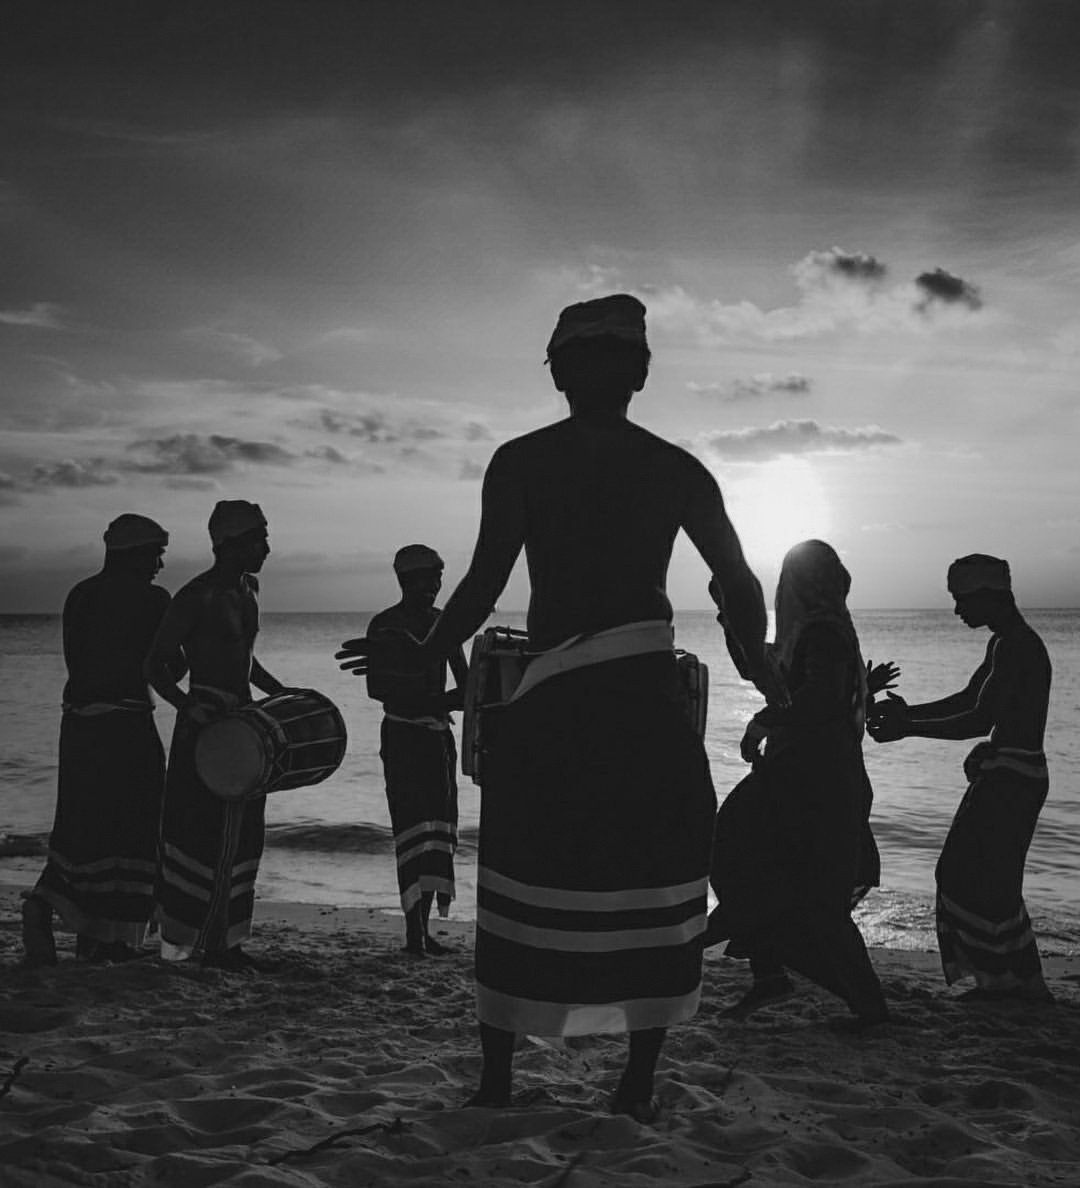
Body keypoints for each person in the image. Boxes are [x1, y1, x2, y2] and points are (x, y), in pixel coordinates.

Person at [338, 294, 774, 1119]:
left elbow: (483, 584)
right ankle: (634, 1084)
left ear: (560, 374)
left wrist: (426, 651)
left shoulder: (523, 461)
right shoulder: (677, 469)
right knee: (653, 878)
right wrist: (760, 666)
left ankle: (499, 1083)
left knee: (524, 877)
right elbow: (739, 580)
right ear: (639, 373)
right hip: (643, 700)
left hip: (558, 702)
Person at [707, 540, 892, 1027]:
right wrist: (729, 615)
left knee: (804, 895)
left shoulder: (824, 633)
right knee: (758, 869)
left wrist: (763, 722)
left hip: (816, 783)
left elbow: (821, 698)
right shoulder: (814, 633)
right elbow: (759, 668)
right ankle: (770, 974)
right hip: (798, 776)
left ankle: (866, 1007)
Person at [867, 554, 1053, 1002]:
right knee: (984, 878)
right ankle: (1013, 983)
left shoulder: (1017, 646)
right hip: (1010, 772)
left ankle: (1011, 984)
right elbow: (971, 699)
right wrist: (910, 715)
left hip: (1014, 776)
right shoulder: (1004, 642)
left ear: (989, 596)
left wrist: (908, 727)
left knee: (968, 875)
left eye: (961, 600)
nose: (956, 611)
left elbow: (977, 719)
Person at [21, 514, 177, 966]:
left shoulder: (81, 595)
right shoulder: (153, 600)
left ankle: (47, 904)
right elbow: (167, 665)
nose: (159, 565)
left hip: (80, 725)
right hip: (127, 723)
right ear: (132, 554)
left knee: (82, 825)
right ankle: (109, 938)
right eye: (155, 554)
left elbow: (78, 662)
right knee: (135, 825)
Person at [145, 499, 289, 970]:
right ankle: (194, 940)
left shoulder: (250, 589)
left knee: (244, 834)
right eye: (259, 538)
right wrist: (186, 704)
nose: (267, 548)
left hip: (244, 724)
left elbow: (245, 657)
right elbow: (155, 663)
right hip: (205, 728)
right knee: (199, 832)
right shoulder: (196, 596)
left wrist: (282, 693)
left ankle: (227, 941)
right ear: (231, 543)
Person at [366, 544, 468, 956]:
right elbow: (378, 688)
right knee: (412, 832)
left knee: (439, 834)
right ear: (405, 580)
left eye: (439, 576)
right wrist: (438, 701)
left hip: (438, 738)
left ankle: (423, 930)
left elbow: (465, 683)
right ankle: (414, 934)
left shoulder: (443, 621)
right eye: (428, 576)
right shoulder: (385, 625)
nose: (436, 584)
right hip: (404, 737)